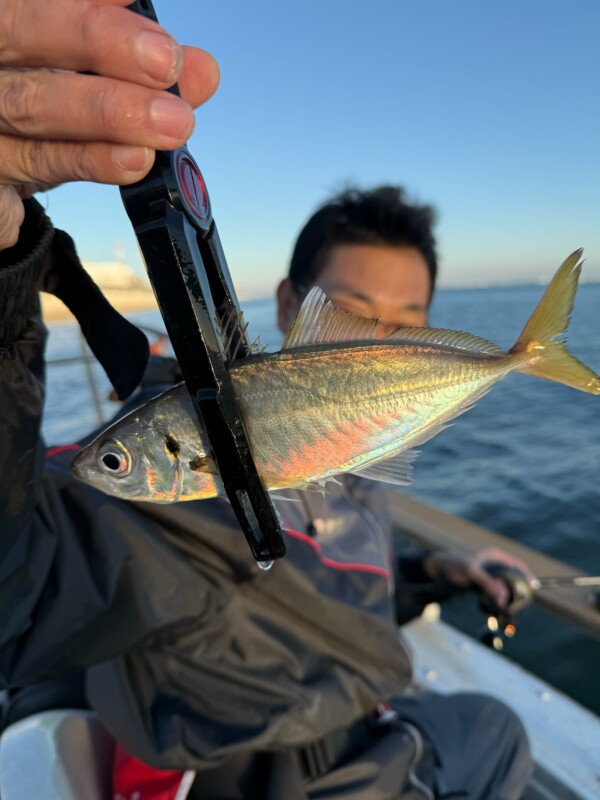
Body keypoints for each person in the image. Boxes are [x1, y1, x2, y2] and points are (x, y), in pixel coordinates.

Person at [0, 3, 534, 798]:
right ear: (291, 304)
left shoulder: (355, 450)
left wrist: (434, 572)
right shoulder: (168, 509)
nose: (377, 345)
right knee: (495, 732)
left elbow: (333, 580)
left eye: (406, 325)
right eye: (351, 313)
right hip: (262, 770)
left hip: (365, 710)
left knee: (495, 726)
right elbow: (19, 578)